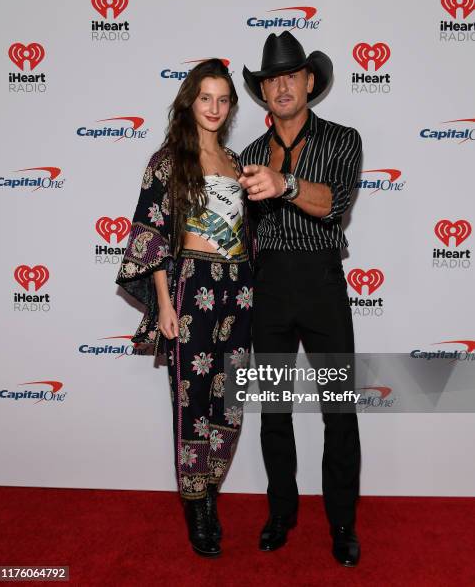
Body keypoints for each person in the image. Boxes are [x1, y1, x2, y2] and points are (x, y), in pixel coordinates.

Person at [116, 59, 253, 558]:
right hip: (190, 289)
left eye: (223, 99)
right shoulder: (168, 159)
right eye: (205, 98)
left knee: (230, 401)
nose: (214, 107)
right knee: (191, 402)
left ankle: (210, 488)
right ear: (190, 103)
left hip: (237, 291)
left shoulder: (238, 164)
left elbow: (249, 235)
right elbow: (150, 231)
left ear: (231, 106)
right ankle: (197, 506)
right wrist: (163, 301)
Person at [239, 31, 362, 566]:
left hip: (321, 287)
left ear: (310, 82)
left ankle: (341, 522)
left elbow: (332, 203)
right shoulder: (244, 156)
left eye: (291, 75)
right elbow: (235, 234)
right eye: (272, 79)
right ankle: (281, 513)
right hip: (268, 290)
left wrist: (283, 182)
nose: (281, 85)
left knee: (338, 410)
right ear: (263, 91)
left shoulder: (342, 139)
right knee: (273, 410)